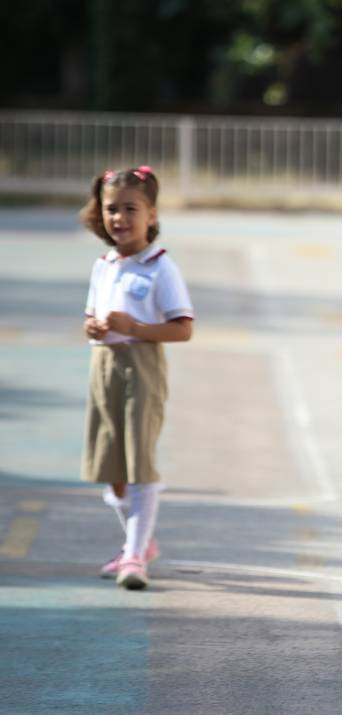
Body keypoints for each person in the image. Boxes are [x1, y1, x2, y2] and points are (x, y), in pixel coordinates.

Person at [79, 166, 194, 589]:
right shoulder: (104, 264)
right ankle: (139, 542)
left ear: (151, 215)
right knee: (110, 465)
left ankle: (133, 557)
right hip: (103, 367)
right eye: (111, 209)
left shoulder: (161, 267)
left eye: (130, 209)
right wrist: (91, 326)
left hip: (142, 366)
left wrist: (136, 328)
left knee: (139, 459)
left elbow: (182, 328)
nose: (119, 218)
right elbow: (93, 315)